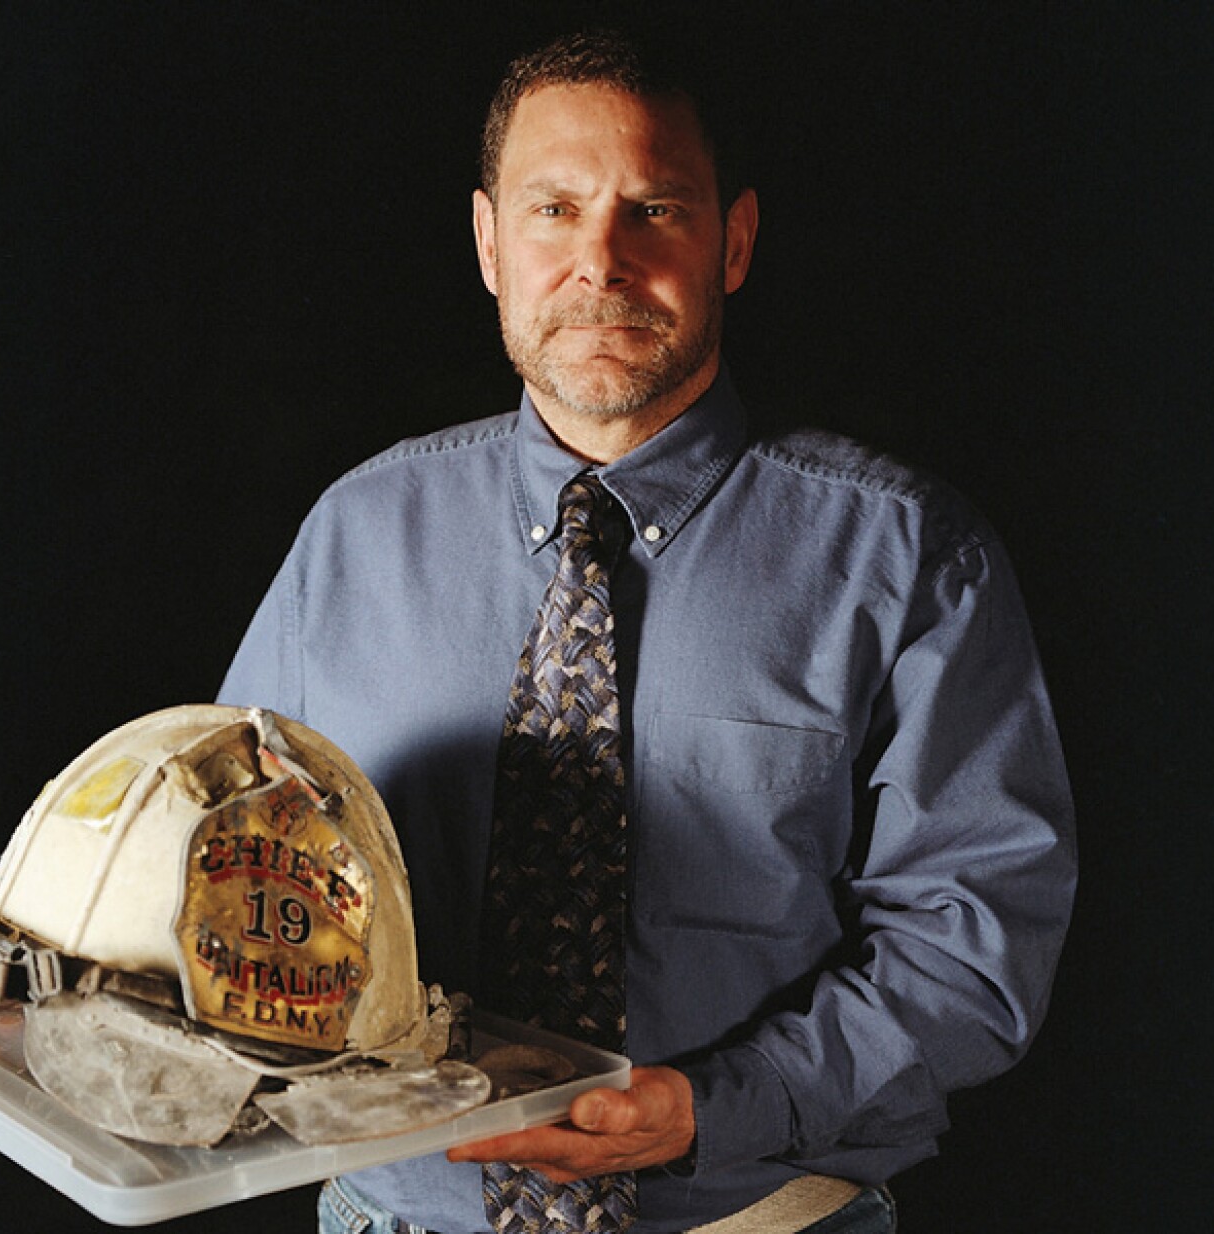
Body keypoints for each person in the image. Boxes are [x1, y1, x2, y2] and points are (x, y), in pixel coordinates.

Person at [218, 27, 1075, 1234]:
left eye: (654, 210)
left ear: (731, 242)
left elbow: (975, 943)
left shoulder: (904, 555)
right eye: (553, 210)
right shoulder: (356, 536)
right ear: (488, 244)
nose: (598, 261)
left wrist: (721, 1103)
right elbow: (220, 864)